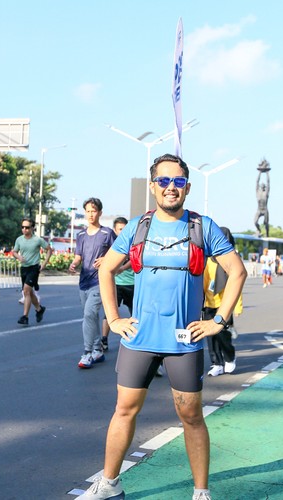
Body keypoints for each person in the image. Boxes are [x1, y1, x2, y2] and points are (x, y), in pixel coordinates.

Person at [81, 154, 246, 500]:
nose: (171, 187)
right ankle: (109, 484)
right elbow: (106, 269)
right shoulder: (138, 227)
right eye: (164, 181)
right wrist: (114, 319)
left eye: (178, 181)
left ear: (187, 187)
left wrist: (218, 321)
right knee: (124, 410)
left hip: (183, 342)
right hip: (139, 339)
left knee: (191, 416)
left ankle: (201, 491)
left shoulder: (202, 227)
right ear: (153, 186)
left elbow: (237, 271)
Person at [69, 197, 116, 369]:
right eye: (87, 211)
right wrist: (74, 264)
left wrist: (105, 259)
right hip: (84, 281)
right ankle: (98, 350)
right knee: (91, 317)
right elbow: (79, 256)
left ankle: (87, 352)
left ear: (100, 213)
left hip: (100, 281)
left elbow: (119, 253)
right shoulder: (81, 235)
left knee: (89, 314)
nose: (90, 214)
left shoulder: (107, 233)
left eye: (93, 211)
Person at [203, 227, 243, 377]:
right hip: (209, 304)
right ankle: (216, 363)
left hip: (225, 305)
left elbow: (237, 284)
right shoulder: (208, 260)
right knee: (210, 337)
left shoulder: (232, 260)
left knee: (223, 335)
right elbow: (204, 282)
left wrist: (237, 307)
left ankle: (229, 358)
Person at [101, 216, 135, 351]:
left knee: (136, 315)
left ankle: (136, 340)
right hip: (117, 283)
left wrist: (122, 268)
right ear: (115, 230)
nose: (122, 232)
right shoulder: (113, 247)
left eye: (124, 229)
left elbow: (134, 259)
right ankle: (104, 339)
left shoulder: (134, 243)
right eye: (120, 229)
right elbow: (106, 265)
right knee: (109, 313)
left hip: (132, 283)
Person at [12, 218, 52, 325]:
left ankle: (25, 317)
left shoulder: (37, 240)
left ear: (32, 228)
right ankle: (39, 309)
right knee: (29, 292)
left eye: (27, 227)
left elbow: (49, 250)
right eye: (22, 227)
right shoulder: (19, 239)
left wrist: (44, 263)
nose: (24, 229)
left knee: (26, 290)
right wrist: (19, 257)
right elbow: (14, 252)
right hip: (24, 268)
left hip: (34, 268)